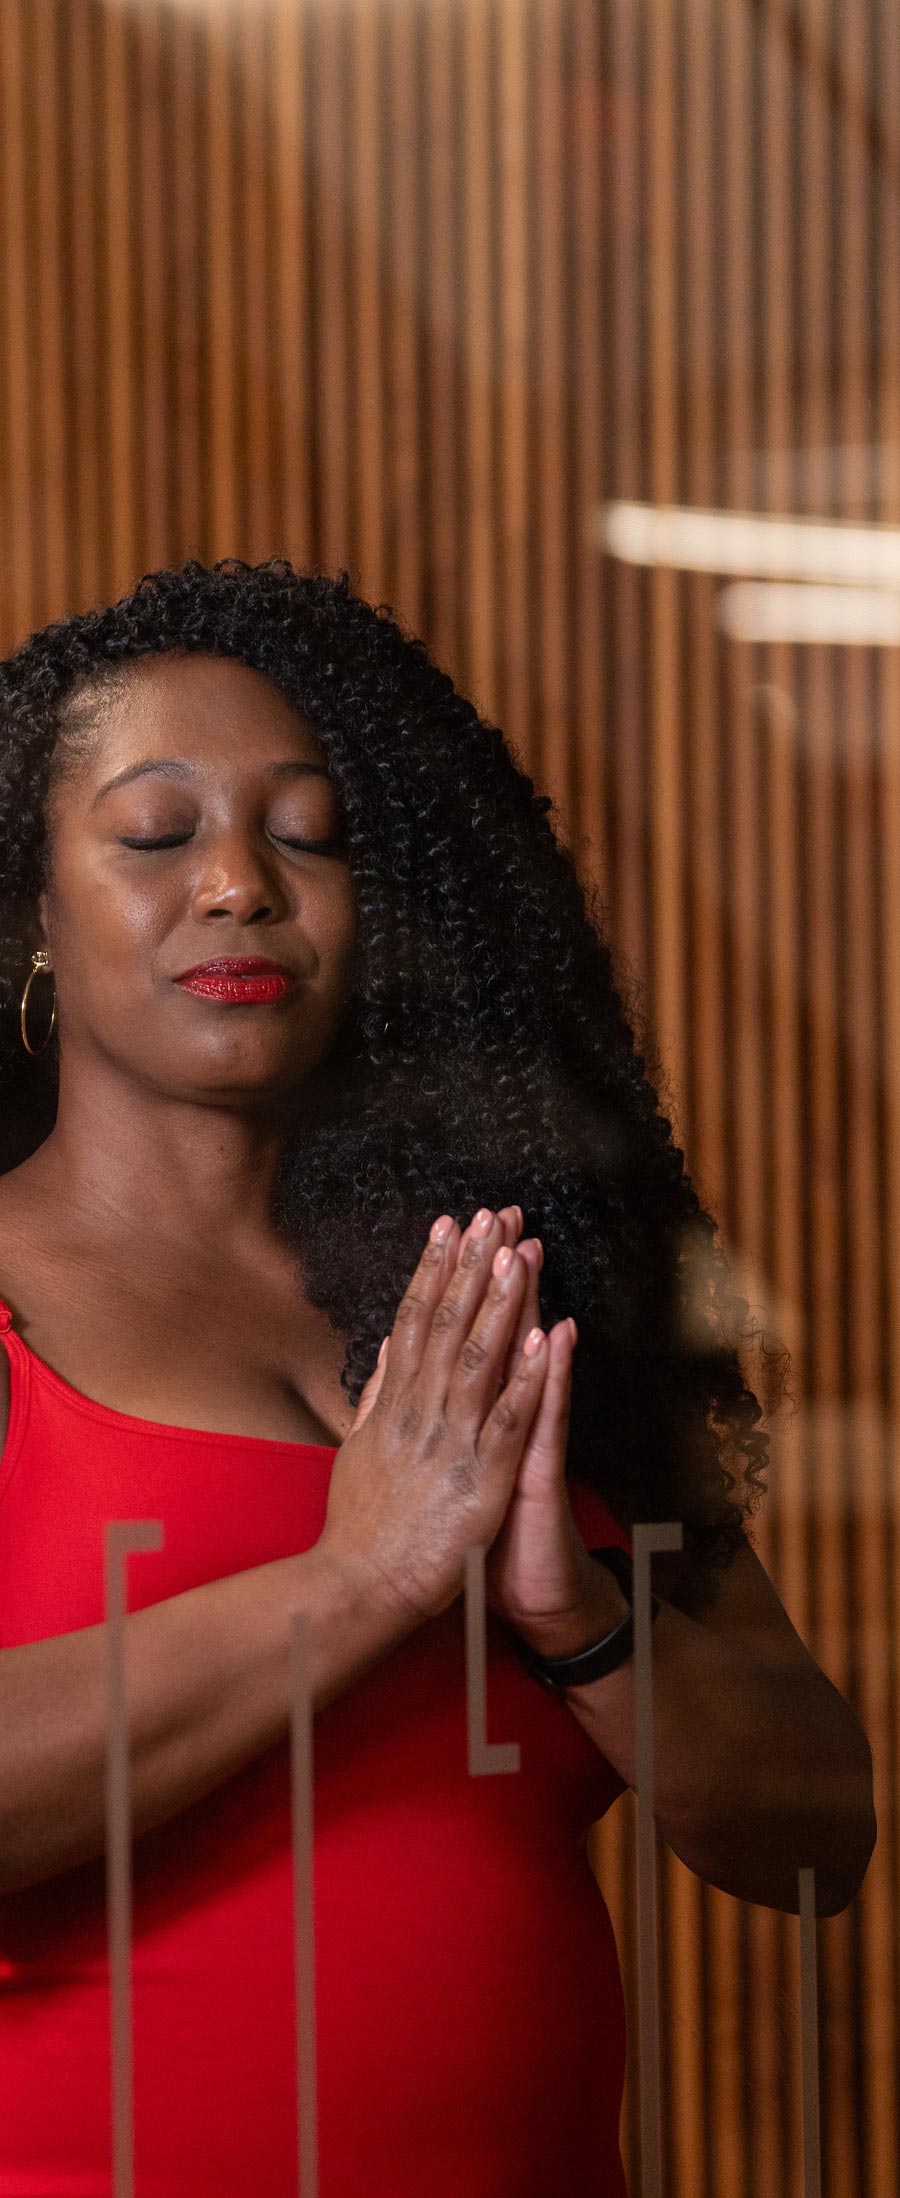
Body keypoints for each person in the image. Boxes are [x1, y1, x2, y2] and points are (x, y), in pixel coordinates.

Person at [0, 558, 875, 2196]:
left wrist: (582, 1623)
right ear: (30, 905)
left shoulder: (520, 1303)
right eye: (155, 832)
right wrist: (360, 1577)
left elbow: (818, 1835)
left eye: (311, 833)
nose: (242, 884)